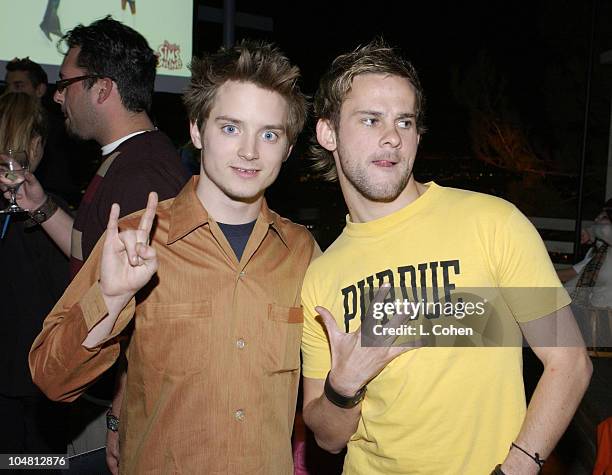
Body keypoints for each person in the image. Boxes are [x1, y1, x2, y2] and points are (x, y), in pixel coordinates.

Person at [300, 39, 592, 475]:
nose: (391, 137)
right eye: (370, 119)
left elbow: (569, 361)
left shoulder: (493, 223)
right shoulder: (322, 276)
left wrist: (517, 467)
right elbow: (326, 436)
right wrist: (343, 385)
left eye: (405, 121)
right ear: (328, 133)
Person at [29, 40, 318, 474]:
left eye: (270, 134)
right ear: (198, 130)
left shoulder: (301, 251)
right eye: (230, 127)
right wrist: (109, 301)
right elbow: (51, 379)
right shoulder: (134, 236)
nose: (249, 151)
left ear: (288, 149)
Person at [10, 17, 188, 472]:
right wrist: (39, 204)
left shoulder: (143, 174)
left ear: (102, 88)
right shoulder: (128, 160)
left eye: (66, 82)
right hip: (93, 387)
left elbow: (150, 315)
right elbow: (95, 258)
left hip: (108, 399)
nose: (56, 94)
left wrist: (117, 414)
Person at [0, 93, 69, 465]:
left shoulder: (42, 207)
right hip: (42, 370)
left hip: (26, 374)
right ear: (36, 144)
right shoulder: (51, 211)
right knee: (43, 462)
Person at [5, 57, 77, 204]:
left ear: (40, 90)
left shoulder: (60, 128)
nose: (11, 91)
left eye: (19, 85)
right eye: (8, 86)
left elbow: (62, 182)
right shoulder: (4, 121)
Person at [559, 200, 612, 349]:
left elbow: (606, 231)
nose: (596, 221)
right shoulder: (601, 255)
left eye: (604, 217)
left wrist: (591, 230)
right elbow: (574, 285)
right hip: (596, 329)